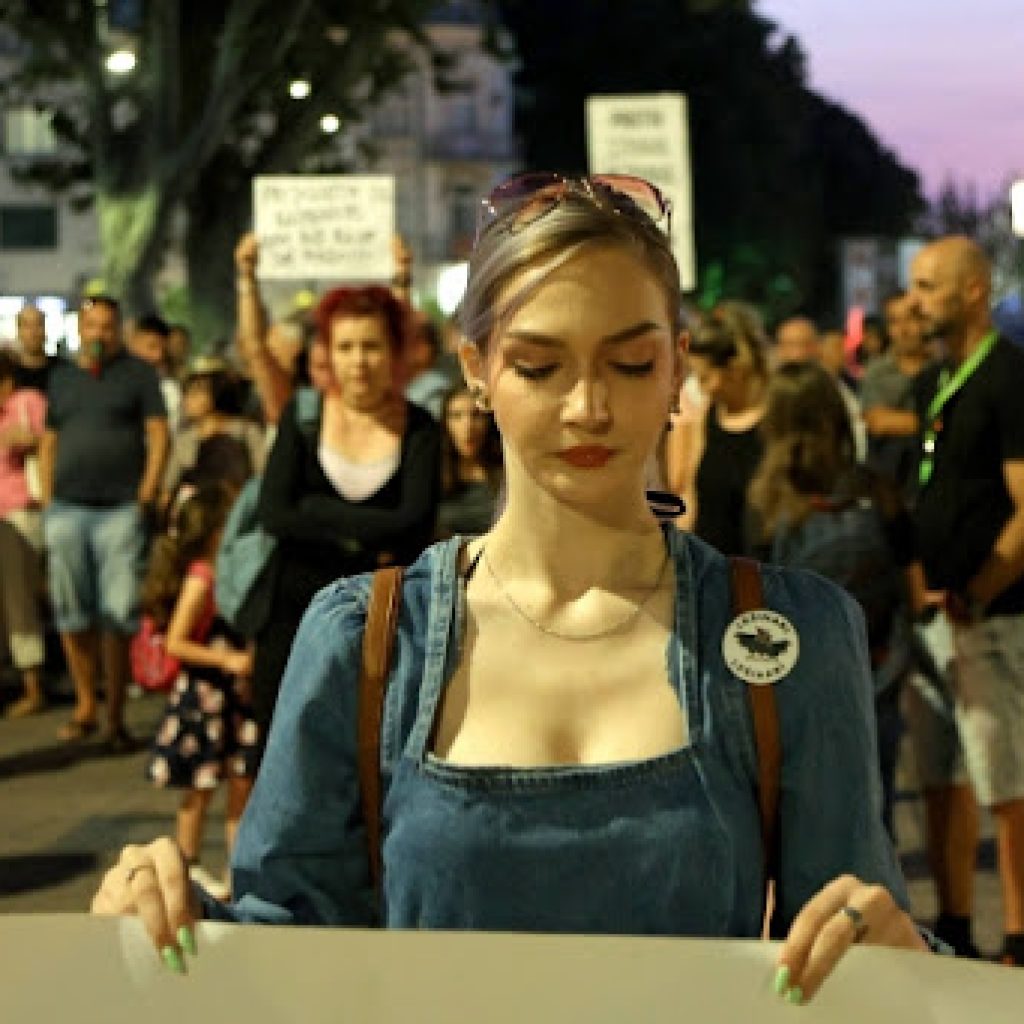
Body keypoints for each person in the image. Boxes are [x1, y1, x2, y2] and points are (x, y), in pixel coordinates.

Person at [93, 174, 931, 1002]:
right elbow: (289, 943)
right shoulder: (367, 641)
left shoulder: (791, 634)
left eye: (632, 363)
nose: (589, 407)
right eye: (539, 367)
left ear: (679, 366)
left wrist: (900, 955)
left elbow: (849, 942)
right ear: (477, 369)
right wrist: (166, 917)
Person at [250, 284, 440, 756]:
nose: (359, 361)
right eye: (345, 347)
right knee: (285, 757)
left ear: (395, 352)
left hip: (383, 625)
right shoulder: (302, 415)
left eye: (372, 346)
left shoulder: (420, 429)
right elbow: (274, 513)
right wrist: (372, 524)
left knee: (373, 765)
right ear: (327, 354)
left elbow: (414, 525)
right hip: (292, 622)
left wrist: (314, 510)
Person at [907, 235, 1024, 967]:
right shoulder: (935, 381)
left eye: (927, 287)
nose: (913, 302)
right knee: (943, 778)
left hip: (997, 617)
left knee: (1007, 782)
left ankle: (1017, 938)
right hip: (940, 615)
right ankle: (952, 924)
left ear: (973, 290)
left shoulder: (1010, 377)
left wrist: (981, 591)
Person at [746, 361, 914, 837]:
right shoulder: (874, 487)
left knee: (799, 823)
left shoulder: (768, 502)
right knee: (873, 811)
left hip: (795, 685)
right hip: (874, 675)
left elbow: (750, 598)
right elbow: (909, 576)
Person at [39, 296, 169, 750]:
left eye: (107, 327)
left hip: (119, 510)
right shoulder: (63, 377)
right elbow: (49, 438)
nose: (99, 334)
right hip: (67, 508)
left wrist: (148, 489)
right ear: (80, 328)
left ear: (118, 329)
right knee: (72, 614)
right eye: (91, 326)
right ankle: (84, 706)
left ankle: (115, 715)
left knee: (117, 616)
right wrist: (47, 495)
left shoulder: (137, 374)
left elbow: (157, 433)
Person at [142, 484, 258, 901]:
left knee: (242, 782)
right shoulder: (202, 577)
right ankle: (186, 866)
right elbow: (175, 641)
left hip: (233, 697)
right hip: (208, 695)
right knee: (202, 786)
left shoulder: (224, 572)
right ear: (214, 532)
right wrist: (226, 660)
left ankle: (238, 870)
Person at [668, 303, 768, 555]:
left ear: (734, 370)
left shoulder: (774, 418)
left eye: (705, 378)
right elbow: (691, 490)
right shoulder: (707, 418)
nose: (701, 389)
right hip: (712, 566)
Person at [0, 351, 47, 717]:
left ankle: (33, 685)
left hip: (20, 515)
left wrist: (31, 440)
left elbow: (52, 445)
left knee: (20, 600)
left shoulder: (27, 403)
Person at [161, 360, 265, 508]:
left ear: (216, 395)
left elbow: (261, 475)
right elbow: (169, 486)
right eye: (187, 394)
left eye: (195, 394)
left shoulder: (246, 431)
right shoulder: (185, 439)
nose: (186, 401)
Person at [860, 291, 933, 496]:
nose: (903, 330)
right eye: (894, 322)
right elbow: (878, 422)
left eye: (910, 320)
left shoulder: (944, 368)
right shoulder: (877, 372)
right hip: (888, 488)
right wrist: (935, 423)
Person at [435, 384, 503, 538]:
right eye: (456, 416)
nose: (468, 427)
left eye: (477, 415)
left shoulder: (509, 471)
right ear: (445, 423)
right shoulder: (432, 470)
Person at [131, 314, 182, 433]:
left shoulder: (169, 391)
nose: (158, 356)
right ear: (133, 343)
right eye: (152, 347)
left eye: (163, 350)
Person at [12, 304, 54, 394]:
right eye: (27, 325)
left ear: (45, 331)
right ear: (18, 332)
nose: (33, 332)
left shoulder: (61, 370)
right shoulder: (8, 373)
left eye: (38, 324)